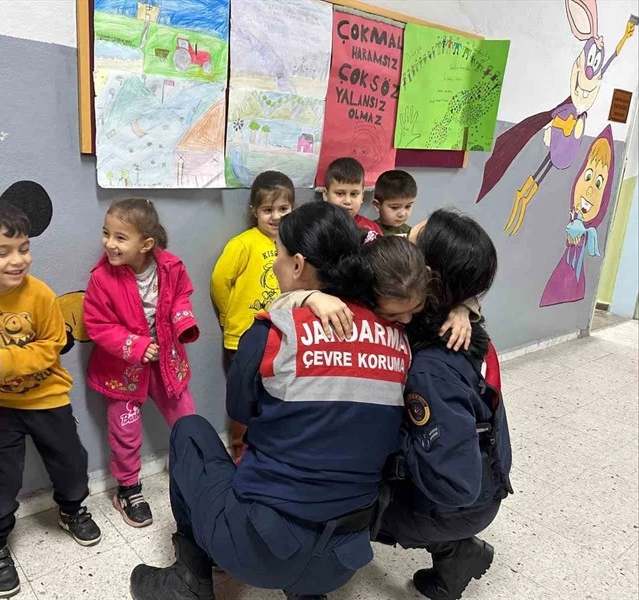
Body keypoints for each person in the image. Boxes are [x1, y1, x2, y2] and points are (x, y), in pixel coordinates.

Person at [129, 202, 430, 600]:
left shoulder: (272, 333)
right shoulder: (398, 339)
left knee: (190, 432)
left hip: (260, 548)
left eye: (278, 255)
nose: (274, 264)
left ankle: (190, 580)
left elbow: (241, 411)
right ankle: (307, 590)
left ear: (299, 265)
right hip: (345, 558)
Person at [0, 199, 101, 599]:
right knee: (1, 479)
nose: (18, 260)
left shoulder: (40, 294)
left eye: (24, 248)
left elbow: (53, 345)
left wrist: (10, 360)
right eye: (2, 252)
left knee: (71, 462)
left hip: (48, 396)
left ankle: (71, 508)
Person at [377, 209, 512, 600]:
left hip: (466, 500)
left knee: (352, 500)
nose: (405, 238)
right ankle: (459, 551)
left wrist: (394, 449)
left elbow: (455, 486)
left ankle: (318, 573)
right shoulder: (463, 327)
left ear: (425, 278)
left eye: (413, 242)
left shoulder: (431, 369)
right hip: (489, 474)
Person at [83, 198, 199, 529]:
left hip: (167, 363)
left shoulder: (171, 267)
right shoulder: (101, 279)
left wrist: (182, 321)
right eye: (106, 233)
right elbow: (98, 325)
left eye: (120, 237)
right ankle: (128, 488)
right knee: (125, 431)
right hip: (122, 371)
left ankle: (195, 474)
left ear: (145, 243)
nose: (109, 243)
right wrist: (134, 345)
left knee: (187, 420)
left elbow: (182, 295)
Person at [210, 170, 295, 459]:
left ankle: (267, 445)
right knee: (244, 395)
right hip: (243, 335)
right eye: (267, 210)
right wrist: (227, 318)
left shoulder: (294, 243)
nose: (275, 217)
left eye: (283, 209)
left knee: (273, 392)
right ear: (254, 211)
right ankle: (238, 449)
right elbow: (219, 282)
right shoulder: (243, 244)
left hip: (281, 336)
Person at [322, 156, 383, 240]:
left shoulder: (371, 230)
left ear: (362, 196)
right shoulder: (317, 227)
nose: (347, 201)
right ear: (325, 195)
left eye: (354, 194)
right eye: (340, 193)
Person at [373, 169, 418, 237]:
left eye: (408, 206)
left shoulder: (411, 233)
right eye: (395, 207)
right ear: (377, 205)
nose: (402, 214)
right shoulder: (369, 231)